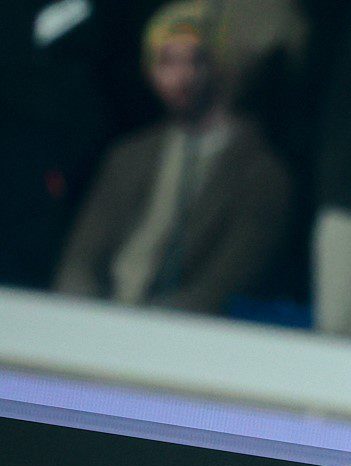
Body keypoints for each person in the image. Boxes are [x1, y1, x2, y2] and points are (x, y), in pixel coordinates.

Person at [53, 0, 292, 315]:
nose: (181, 76)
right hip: (101, 319)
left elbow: (220, 286)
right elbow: (80, 260)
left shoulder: (260, 174)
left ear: (220, 64)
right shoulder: (129, 156)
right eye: (166, 62)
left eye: (195, 60)